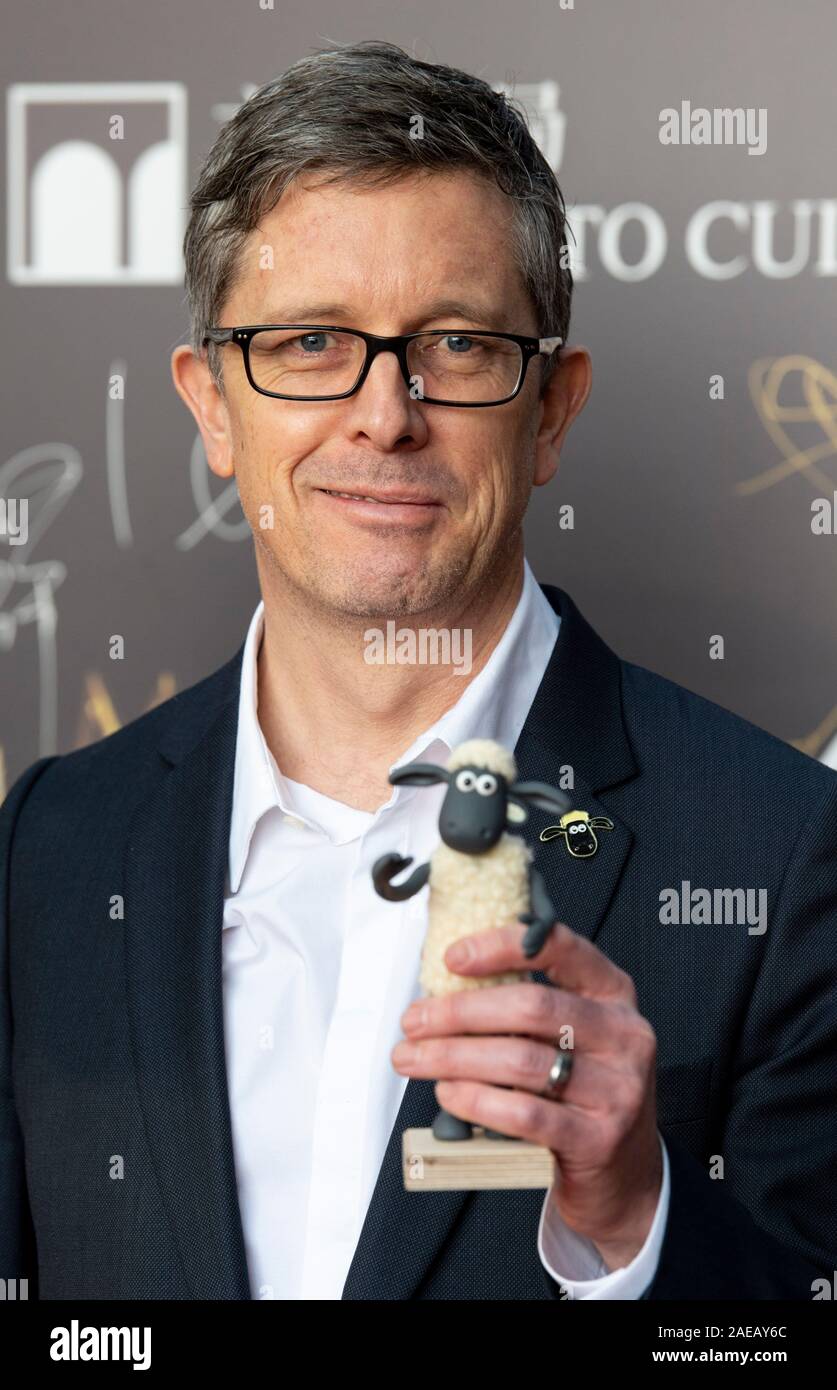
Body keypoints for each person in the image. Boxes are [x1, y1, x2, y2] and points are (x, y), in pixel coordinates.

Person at [1, 40, 834, 1301]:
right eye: (309, 342)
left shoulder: (780, 850)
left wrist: (633, 1220)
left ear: (551, 410)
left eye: (454, 345)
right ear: (213, 406)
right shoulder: (49, 847)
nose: (385, 415)